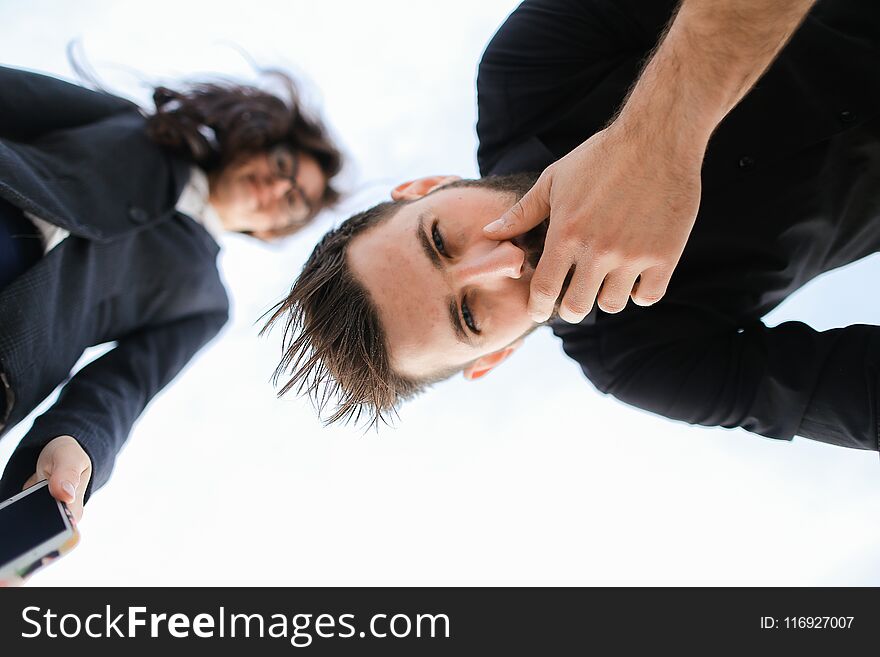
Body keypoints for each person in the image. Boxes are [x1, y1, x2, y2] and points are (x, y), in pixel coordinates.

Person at [263, 0, 880, 454]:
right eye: (471, 315)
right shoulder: (640, 360)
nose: (501, 264)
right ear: (494, 357)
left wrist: (659, 140)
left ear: (426, 188)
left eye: (441, 240)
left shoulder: (529, 69)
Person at [0, 65, 343, 525]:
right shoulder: (135, 126)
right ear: (256, 144)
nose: (278, 186)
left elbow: (123, 387)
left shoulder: (204, 303)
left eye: (294, 199)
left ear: (271, 230)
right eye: (283, 165)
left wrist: (77, 443)